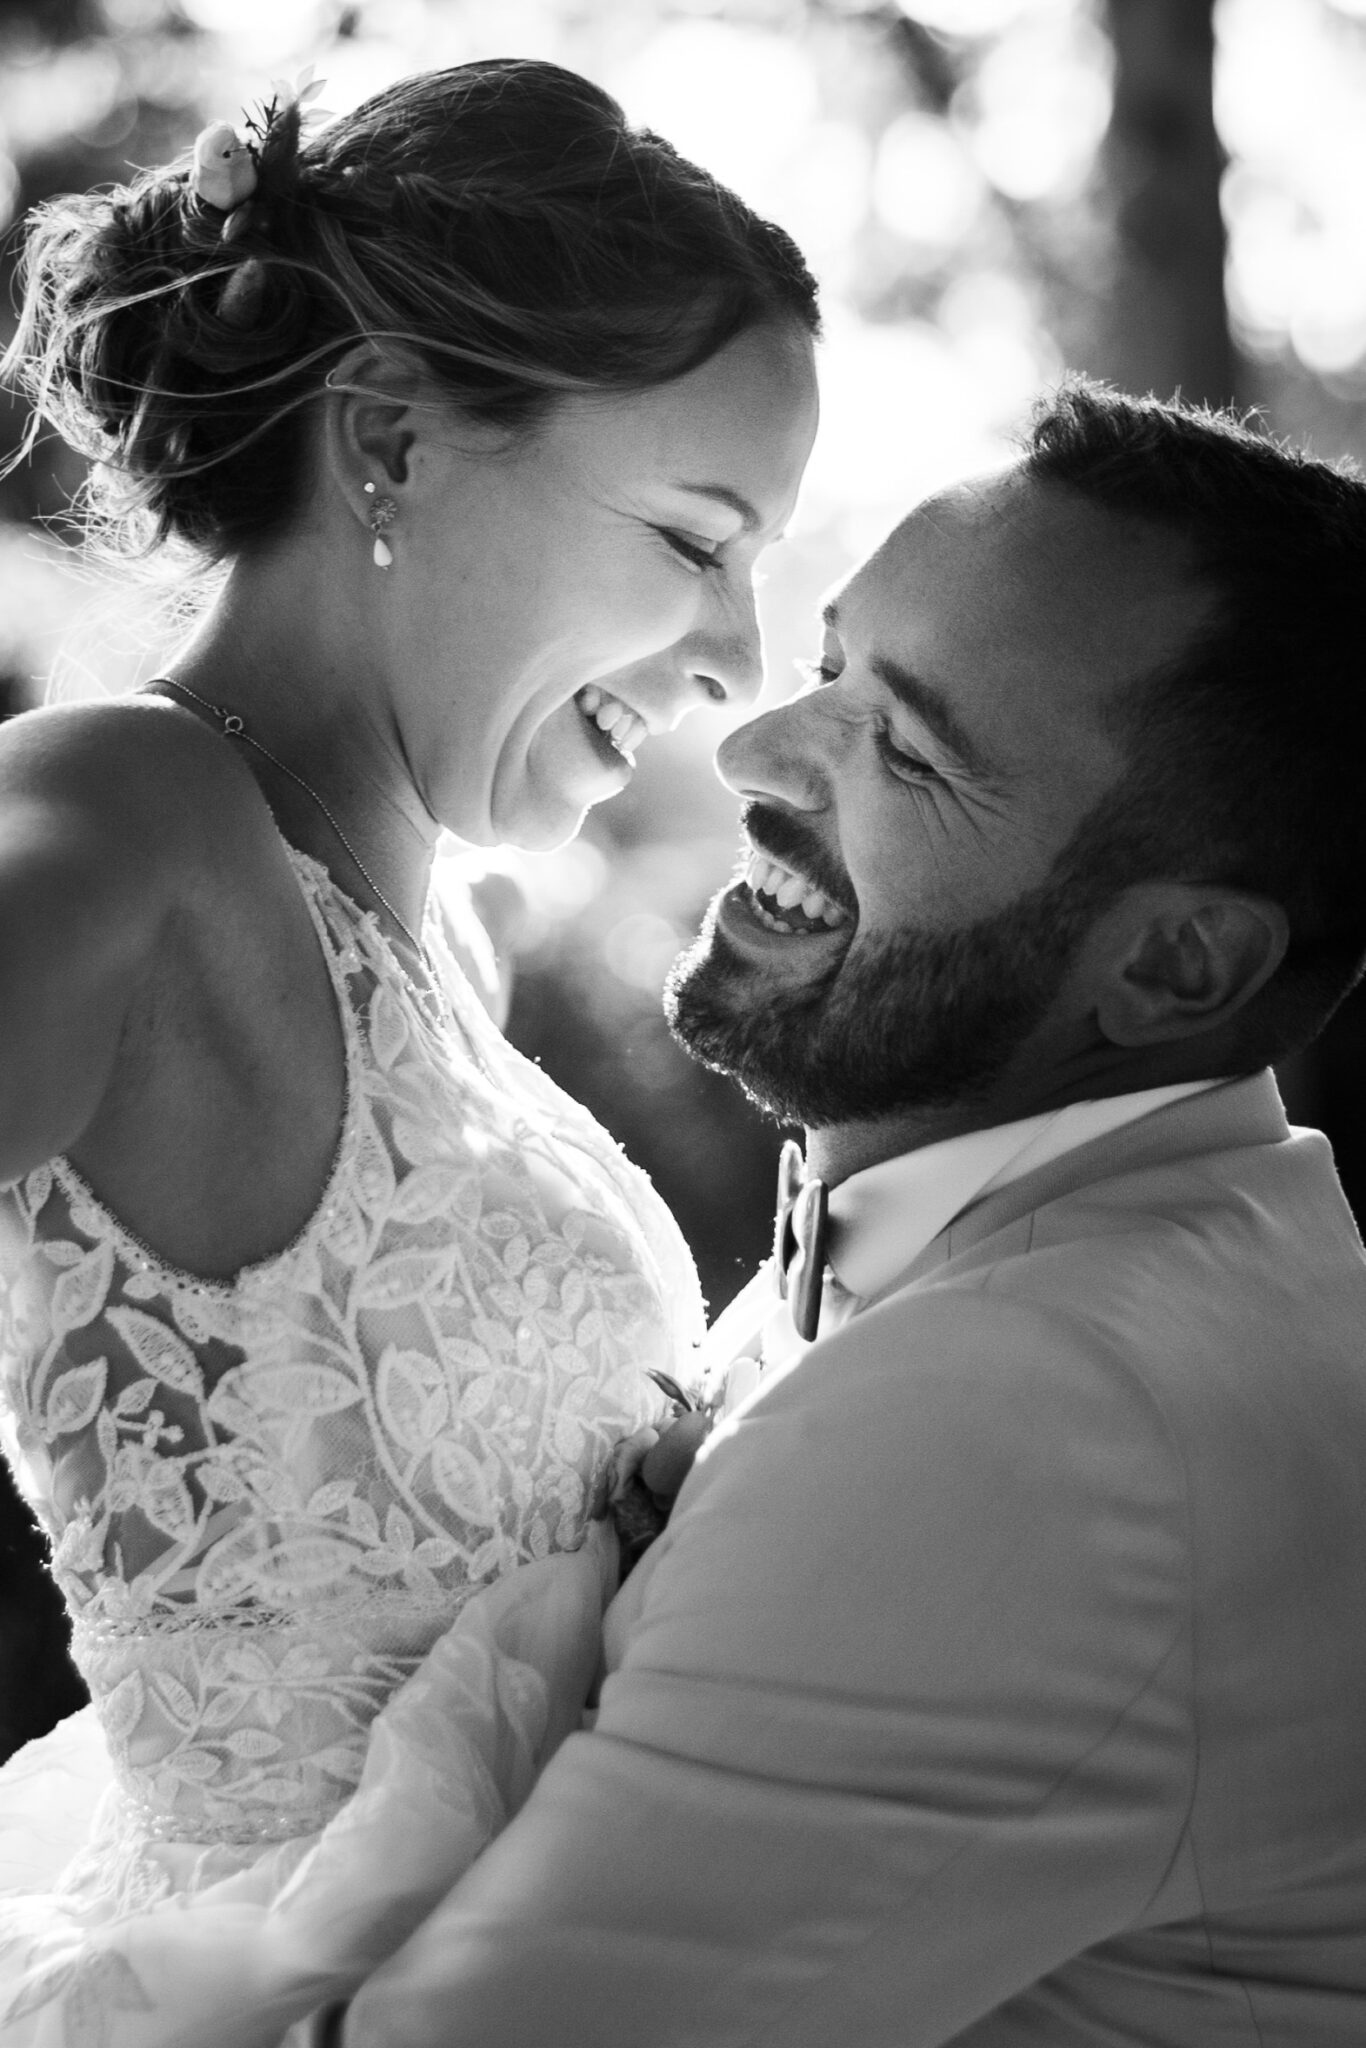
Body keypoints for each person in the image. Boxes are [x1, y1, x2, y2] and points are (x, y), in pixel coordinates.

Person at [339, 382, 1366, 2047]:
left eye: (906, 749)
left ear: (1177, 962)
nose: (752, 756)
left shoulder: (1030, 1420)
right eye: (830, 671)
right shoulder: (1099, 1247)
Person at [0, 57, 819, 2045]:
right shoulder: (118, 821)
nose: (739, 658)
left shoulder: (435, 937)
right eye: (691, 538)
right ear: (388, 442)